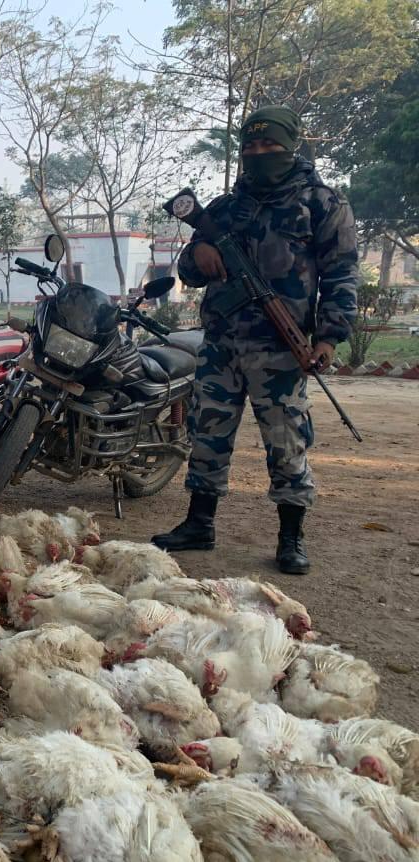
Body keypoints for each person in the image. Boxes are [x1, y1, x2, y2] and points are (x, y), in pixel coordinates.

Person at [152, 105, 358, 575]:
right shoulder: (224, 209)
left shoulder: (322, 203)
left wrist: (327, 338)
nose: (259, 153)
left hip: (282, 348)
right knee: (207, 433)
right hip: (222, 344)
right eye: (251, 146)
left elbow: (341, 275)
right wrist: (198, 251)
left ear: (291, 146)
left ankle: (291, 537)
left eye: (270, 145)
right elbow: (187, 271)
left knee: (286, 441)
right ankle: (199, 524)